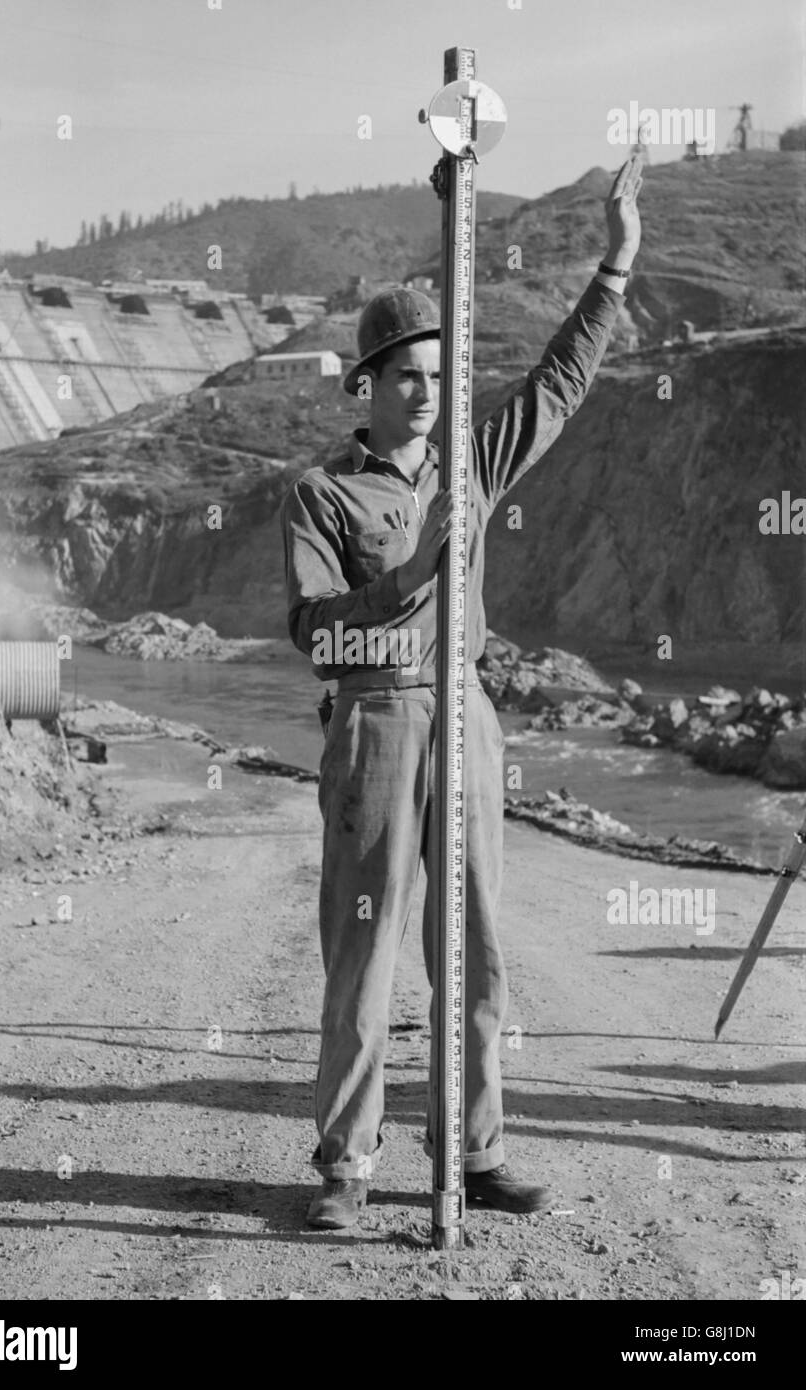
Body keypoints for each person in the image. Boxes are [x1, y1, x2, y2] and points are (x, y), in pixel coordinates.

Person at [280, 155, 643, 1230]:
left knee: (476, 943)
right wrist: (413, 571)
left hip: (467, 713)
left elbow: (558, 387)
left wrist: (615, 267)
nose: (428, 392)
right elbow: (315, 632)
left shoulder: (472, 465)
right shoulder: (321, 491)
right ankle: (346, 1168)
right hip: (377, 718)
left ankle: (474, 1151)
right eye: (406, 376)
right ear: (367, 386)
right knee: (365, 946)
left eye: (438, 376)